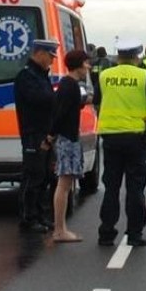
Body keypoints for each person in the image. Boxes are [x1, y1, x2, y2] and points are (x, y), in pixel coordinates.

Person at [94, 38, 146, 247]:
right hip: (136, 137)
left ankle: (106, 233)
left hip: (110, 136)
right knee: (135, 187)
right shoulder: (143, 75)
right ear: (137, 56)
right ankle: (134, 234)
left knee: (111, 187)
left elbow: (97, 102)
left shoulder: (105, 75)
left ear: (118, 56)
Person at [14, 38, 59, 234]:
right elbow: (38, 99)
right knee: (33, 176)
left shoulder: (40, 75)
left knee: (45, 176)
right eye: (50, 56)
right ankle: (28, 218)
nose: (52, 60)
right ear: (39, 53)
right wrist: (58, 98)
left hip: (44, 132)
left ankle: (40, 215)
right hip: (33, 133)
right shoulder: (27, 76)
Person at [49, 49, 92, 243]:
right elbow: (61, 113)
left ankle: (61, 228)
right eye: (86, 63)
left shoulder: (68, 85)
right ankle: (60, 229)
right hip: (67, 138)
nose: (88, 67)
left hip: (67, 137)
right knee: (64, 184)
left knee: (66, 183)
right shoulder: (70, 86)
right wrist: (50, 136)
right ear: (79, 64)